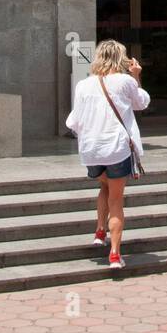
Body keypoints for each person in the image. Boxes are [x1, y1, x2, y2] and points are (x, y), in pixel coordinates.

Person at [65, 39, 149, 271]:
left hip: (92, 149)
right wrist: (136, 75)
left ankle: (100, 230)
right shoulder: (124, 81)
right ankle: (115, 254)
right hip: (116, 148)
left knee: (104, 187)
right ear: (121, 59)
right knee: (116, 199)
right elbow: (141, 103)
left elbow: (73, 120)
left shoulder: (84, 85)